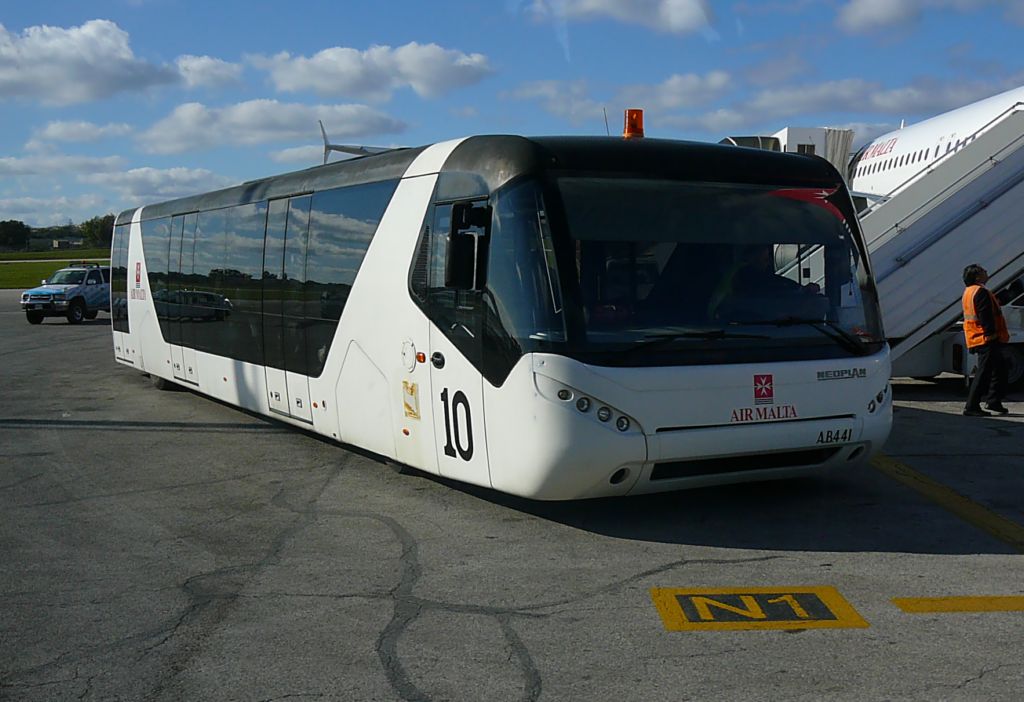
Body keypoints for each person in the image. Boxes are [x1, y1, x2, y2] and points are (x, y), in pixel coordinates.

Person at [961, 263, 1010, 416]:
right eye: (983, 271)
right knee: (984, 372)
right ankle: (972, 406)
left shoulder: (970, 291)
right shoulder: (980, 292)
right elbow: (985, 315)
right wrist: (991, 334)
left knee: (1000, 369)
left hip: (978, 336)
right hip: (985, 338)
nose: (987, 272)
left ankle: (994, 401)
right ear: (977, 276)